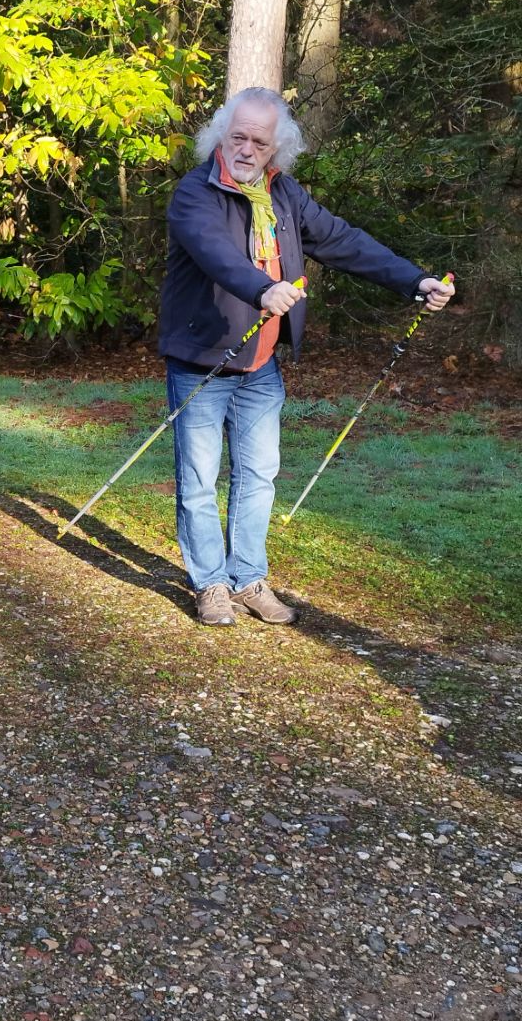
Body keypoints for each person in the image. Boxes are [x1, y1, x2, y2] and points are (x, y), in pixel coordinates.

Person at [159, 85, 455, 627]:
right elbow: (215, 253)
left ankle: (248, 578)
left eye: (260, 142)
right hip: (204, 361)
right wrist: (261, 289)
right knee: (199, 479)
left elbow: (344, 242)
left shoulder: (285, 195)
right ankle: (210, 585)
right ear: (222, 135)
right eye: (238, 136)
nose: (246, 149)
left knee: (259, 475)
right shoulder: (195, 194)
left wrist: (416, 281)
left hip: (261, 369)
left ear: (277, 150)